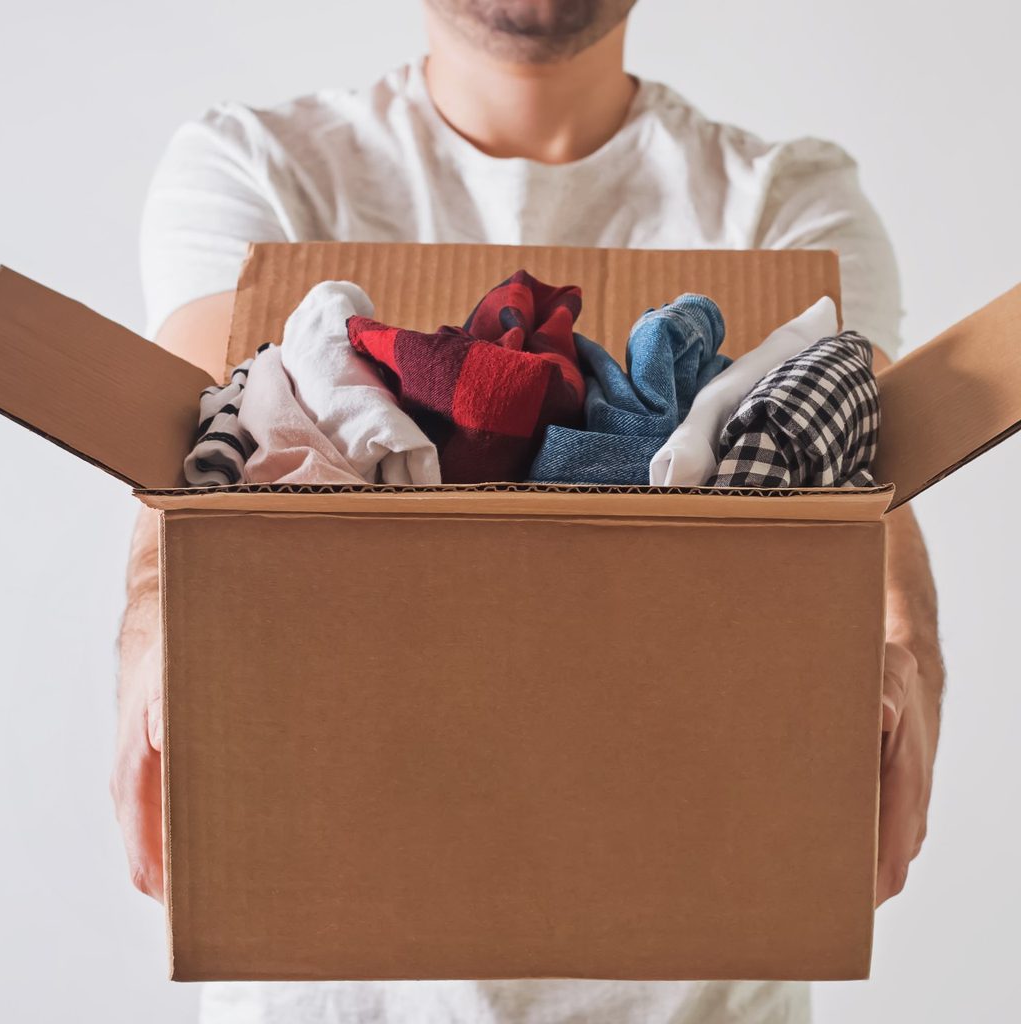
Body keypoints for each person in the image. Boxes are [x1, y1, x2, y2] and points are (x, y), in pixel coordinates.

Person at [112, 2, 944, 1021]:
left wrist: (907, 641)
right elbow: (200, 464)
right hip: (331, 982)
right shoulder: (256, 169)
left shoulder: (785, 201)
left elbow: (868, 481)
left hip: (692, 984)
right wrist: (151, 623)